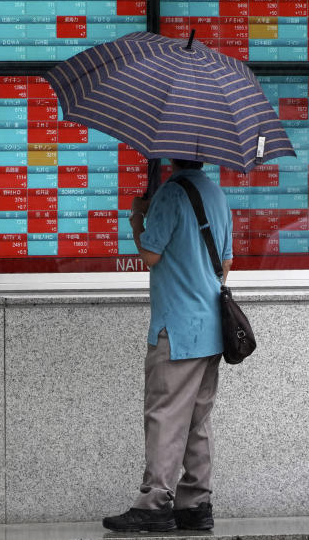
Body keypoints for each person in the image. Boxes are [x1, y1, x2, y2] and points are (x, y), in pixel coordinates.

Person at [102, 158, 233, 533]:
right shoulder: (217, 194)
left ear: (170, 156)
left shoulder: (170, 195)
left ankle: (155, 502)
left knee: (163, 414)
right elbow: (225, 264)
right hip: (210, 331)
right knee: (197, 420)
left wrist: (137, 218)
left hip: (176, 329)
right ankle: (195, 504)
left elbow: (150, 255)